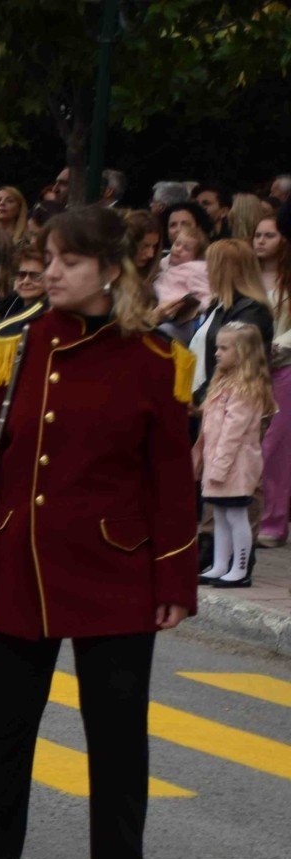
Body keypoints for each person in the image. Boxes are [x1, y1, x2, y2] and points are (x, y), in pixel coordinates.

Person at [0, 207, 197, 859]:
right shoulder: (10, 344)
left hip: (117, 566)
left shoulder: (156, 361)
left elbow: (172, 481)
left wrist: (175, 577)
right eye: (48, 258)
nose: (51, 272)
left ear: (111, 270)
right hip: (17, 555)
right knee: (8, 715)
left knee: (118, 726)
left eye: (69, 261)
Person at [194, 323, 274, 587]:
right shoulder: (223, 382)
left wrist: (218, 468)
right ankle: (219, 564)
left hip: (235, 466)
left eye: (224, 348)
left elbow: (232, 434)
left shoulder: (244, 390)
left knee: (236, 516)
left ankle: (239, 569)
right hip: (219, 463)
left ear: (242, 353)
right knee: (219, 514)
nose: (217, 352)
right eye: (217, 346)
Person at [190, 239, 275, 402]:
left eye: (211, 265)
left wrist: (200, 397)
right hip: (208, 400)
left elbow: (236, 362)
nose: (206, 271)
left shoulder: (252, 310)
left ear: (226, 270)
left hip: (228, 406)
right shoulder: (218, 304)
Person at [256, 207, 291, 548]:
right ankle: (251, 517)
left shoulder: (288, 278)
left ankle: (274, 522)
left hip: (283, 366)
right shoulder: (248, 277)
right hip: (250, 370)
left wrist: (277, 345)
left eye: (270, 235)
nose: (262, 241)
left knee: (275, 447)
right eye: (258, 235)